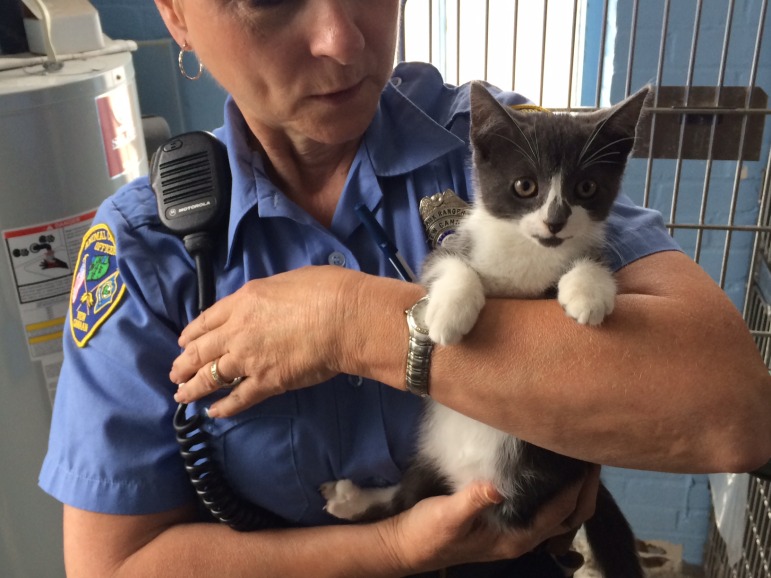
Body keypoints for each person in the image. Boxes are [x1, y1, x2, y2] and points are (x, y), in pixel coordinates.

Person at [39, 1, 771, 577]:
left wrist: (355, 323)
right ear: (174, 13)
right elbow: (115, 565)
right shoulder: (144, 248)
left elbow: (734, 412)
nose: (342, 40)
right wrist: (392, 548)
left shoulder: (498, 146)